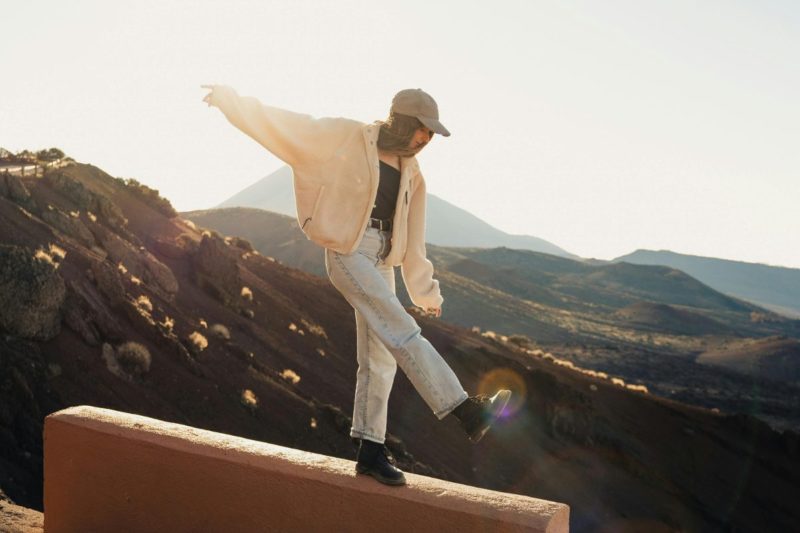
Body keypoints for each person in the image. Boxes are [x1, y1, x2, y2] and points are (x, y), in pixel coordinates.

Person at [201, 84, 511, 486]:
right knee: (402, 331)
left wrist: (425, 292)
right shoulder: (348, 136)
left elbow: (414, 239)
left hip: (383, 257)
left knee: (380, 356)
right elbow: (287, 127)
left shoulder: (413, 172)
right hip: (349, 251)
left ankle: (370, 450)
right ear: (402, 121)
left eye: (432, 134)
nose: (427, 140)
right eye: (424, 130)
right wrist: (232, 103)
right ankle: (466, 411)